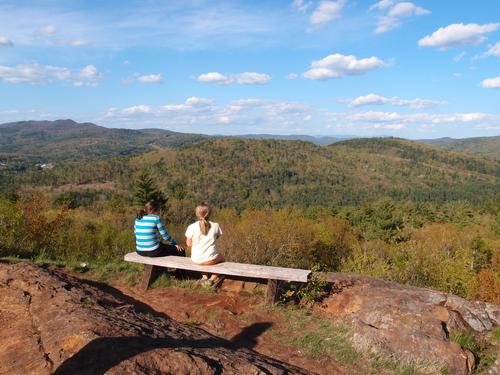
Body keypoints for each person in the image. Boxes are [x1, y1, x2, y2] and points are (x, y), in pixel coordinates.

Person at [185, 202, 224, 286]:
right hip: (210, 260)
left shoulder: (191, 227)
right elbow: (217, 237)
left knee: (202, 255)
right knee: (222, 258)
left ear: (197, 214)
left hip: (196, 259)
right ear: (209, 213)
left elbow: (188, 244)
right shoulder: (216, 225)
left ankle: (204, 276)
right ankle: (212, 279)